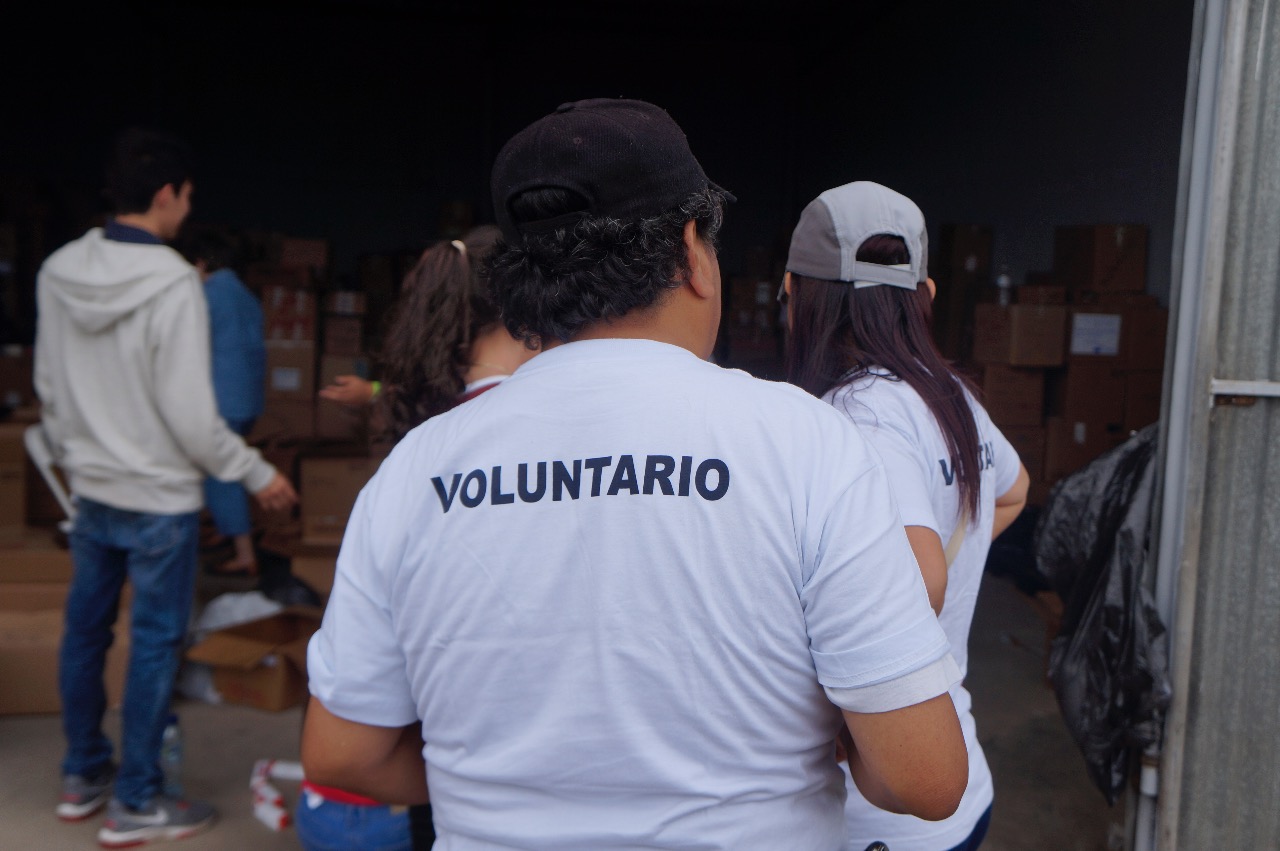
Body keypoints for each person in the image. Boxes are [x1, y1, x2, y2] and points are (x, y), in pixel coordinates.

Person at [300, 97, 969, 850]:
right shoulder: (806, 441)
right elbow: (927, 778)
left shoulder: (414, 470)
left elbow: (340, 753)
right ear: (692, 253)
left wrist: (495, 780)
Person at [34, 127, 297, 847]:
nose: (188, 207)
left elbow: (49, 389)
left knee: (85, 632)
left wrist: (80, 459)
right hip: (160, 505)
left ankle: (83, 772)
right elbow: (190, 418)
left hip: (93, 496)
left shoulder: (57, 270)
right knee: (154, 645)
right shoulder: (176, 281)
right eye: (186, 194)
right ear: (164, 195)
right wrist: (256, 472)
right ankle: (138, 799)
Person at [781, 180, 1031, 851]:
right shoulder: (949, 396)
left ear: (795, 294)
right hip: (960, 782)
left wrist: (849, 742)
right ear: (925, 298)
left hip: (884, 808)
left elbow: (921, 578)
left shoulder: (857, 415)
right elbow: (1013, 489)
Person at [299, 224, 528, 850]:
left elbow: (340, 751)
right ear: (529, 306)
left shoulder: (413, 458)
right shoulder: (567, 436)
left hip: (431, 777)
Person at [179, 226, 266, 575]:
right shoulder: (245, 294)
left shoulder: (208, 295)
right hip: (247, 399)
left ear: (201, 263)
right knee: (228, 466)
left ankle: (244, 552)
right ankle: (228, 533)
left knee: (220, 473)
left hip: (222, 399)